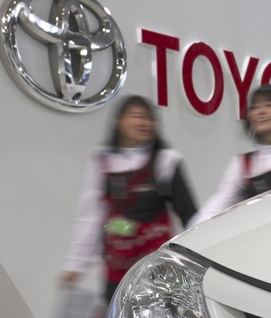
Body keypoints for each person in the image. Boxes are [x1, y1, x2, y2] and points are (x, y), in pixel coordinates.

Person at [61, 95, 197, 303]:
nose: (142, 122)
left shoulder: (167, 161)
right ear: (118, 122)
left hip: (158, 270)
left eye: (147, 118)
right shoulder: (102, 162)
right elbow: (91, 216)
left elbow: (190, 216)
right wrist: (76, 264)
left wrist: (198, 262)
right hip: (117, 273)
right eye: (135, 116)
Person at [188, 84, 271, 227]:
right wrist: (184, 238)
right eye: (255, 107)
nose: (261, 112)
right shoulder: (241, 164)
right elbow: (215, 208)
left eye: (270, 105)